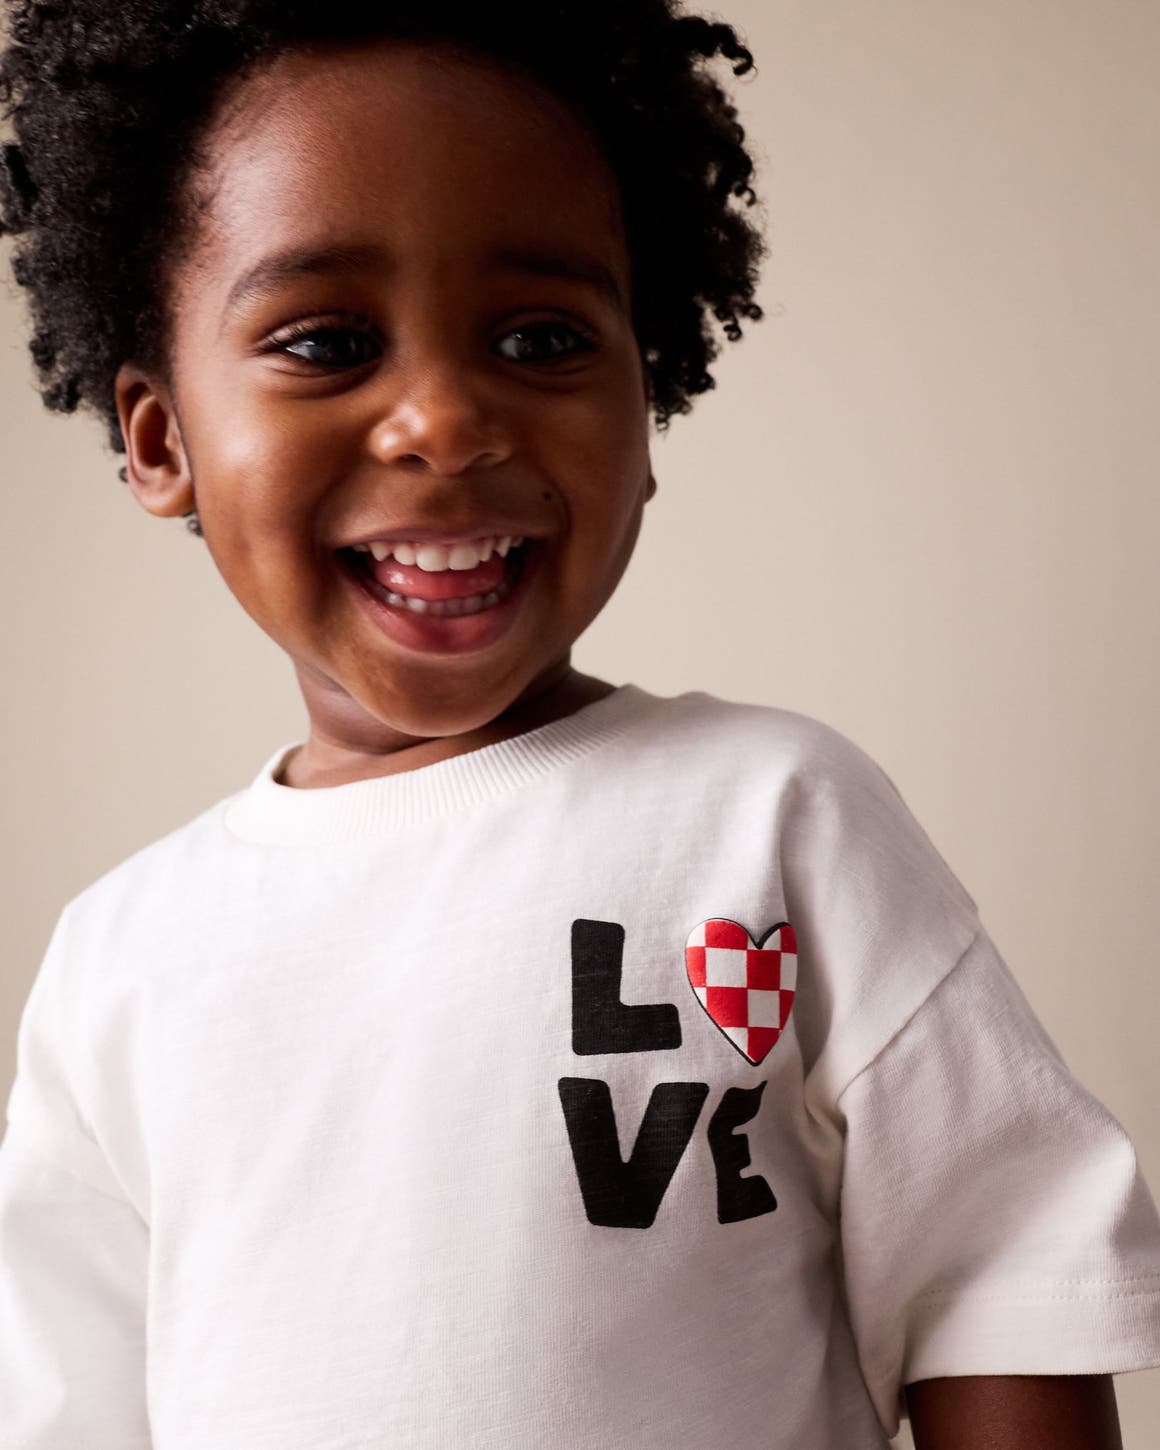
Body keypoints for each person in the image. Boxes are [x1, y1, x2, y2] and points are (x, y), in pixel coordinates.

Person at [0, 2, 1157, 1447]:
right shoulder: (121, 962)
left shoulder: (775, 814)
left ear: (645, 403)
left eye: (540, 337)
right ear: (162, 437)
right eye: (327, 340)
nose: (443, 418)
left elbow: (1003, 1278)